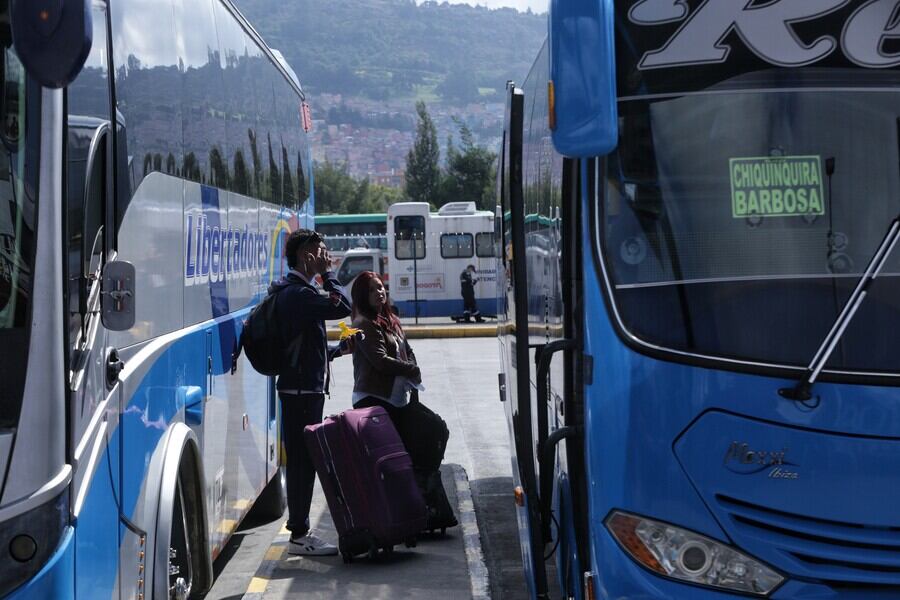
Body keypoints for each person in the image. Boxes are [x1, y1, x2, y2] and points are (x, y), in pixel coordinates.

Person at [350, 271, 457, 531]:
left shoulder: (390, 320)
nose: (380, 293)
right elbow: (379, 361)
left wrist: (413, 366)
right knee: (396, 459)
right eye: (373, 290)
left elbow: (406, 351)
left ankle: (422, 507)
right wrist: (411, 370)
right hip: (375, 402)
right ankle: (404, 515)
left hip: (398, 399)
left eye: (381, 288)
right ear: (363, 296)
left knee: (436, 430)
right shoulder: (364, 324)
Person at [271, 228, 353, 556]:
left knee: (305, 460)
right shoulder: (300, 294)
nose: (326, 257)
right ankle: (299, 534)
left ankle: (299, 530)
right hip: (302, 392)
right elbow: (343, 305)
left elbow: (304, 346)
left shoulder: (297, 291)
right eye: (321, 253)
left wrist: (335, 351)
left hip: (302, 388)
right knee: (304, 462)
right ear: (307, 256)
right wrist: (330, 274)